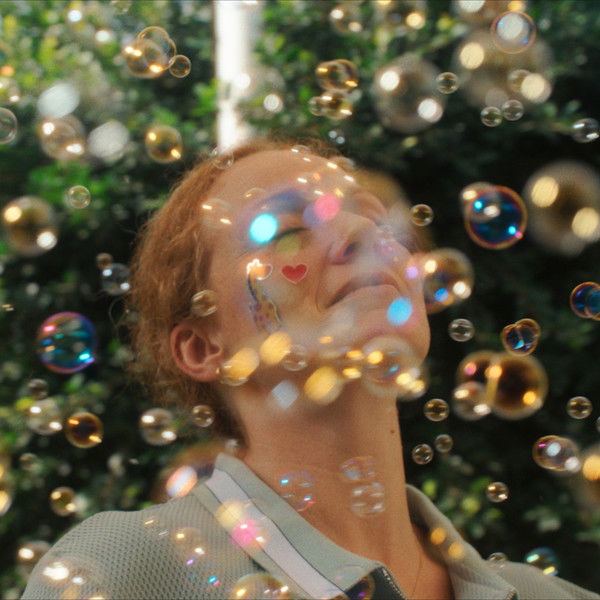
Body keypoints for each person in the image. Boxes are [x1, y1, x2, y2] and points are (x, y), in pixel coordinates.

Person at [22, 137, 599, 600]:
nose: (360, 235)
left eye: (375, 220)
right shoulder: (119, 573)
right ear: (202, 347)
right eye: (289, 229)